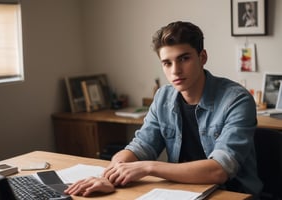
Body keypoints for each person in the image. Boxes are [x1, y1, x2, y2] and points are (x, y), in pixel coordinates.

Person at [65, 21, 262, 198]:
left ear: (202, 57)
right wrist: (109, 176)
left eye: (184, 59)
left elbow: (219, 170)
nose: (175, 70)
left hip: (232, 193)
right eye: (167, 63)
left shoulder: (237, 100)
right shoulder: (163, 97)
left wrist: (149, 167)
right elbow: (140, 146)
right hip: (183, 191)